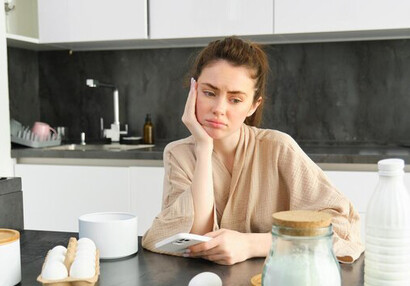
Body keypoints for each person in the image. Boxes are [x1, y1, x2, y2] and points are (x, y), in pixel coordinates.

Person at [142, 36, 364, 265]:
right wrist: (204, 148)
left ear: (253, 105)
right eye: (209, 93)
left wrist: (252, 244)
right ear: (194, 90)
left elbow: (339, 228)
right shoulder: (178, 154)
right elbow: (196, 238)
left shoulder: (278, 147)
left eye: (235, 99)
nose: (219, 109)